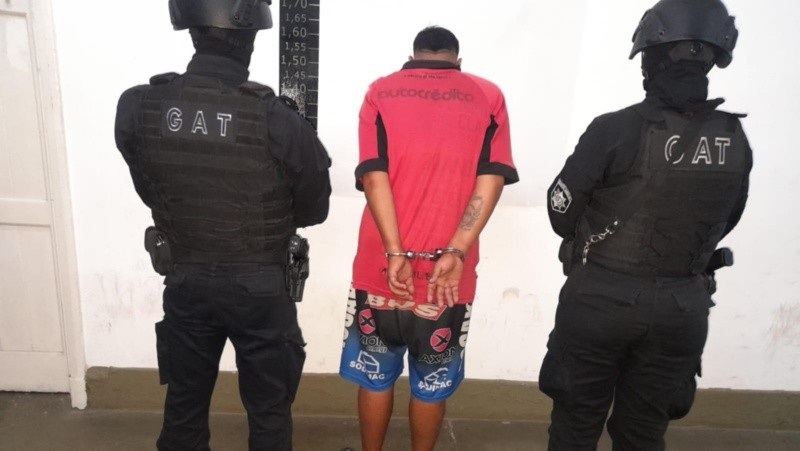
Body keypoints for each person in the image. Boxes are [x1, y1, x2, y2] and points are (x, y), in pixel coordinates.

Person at [114, 1, 331, 449]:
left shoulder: (139, 105)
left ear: (191, 32)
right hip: (261, 286)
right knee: (269, 412)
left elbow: (148, 187)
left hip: (185, 278)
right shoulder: (276, 117)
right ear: (250, 38)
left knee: (184, 406)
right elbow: (314, 209)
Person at [539, 0, 752, 449]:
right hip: (682, 307)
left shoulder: (613, 129)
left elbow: (561, 213)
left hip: (601, 302)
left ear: (649, 60)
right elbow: (728, 218)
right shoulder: (733, 138)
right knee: (643, 433)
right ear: (712, 60)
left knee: (576, 425)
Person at [338, 26, 518, 451]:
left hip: (381, 270)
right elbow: (492, 178)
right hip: (446, 279)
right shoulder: (488, 96)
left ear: (412, 57)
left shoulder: (380, 92)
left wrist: (395, 252)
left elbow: (373, 176)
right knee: (430, 385)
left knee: (375, 377)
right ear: (459, 61)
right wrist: (457, 249)